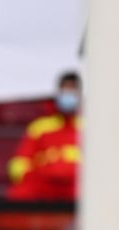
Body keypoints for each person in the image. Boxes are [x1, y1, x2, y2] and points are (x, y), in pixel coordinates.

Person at [6, 71, 80, 201]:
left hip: (77, 184)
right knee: (21, 193)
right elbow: (19, 164)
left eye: (73, 90)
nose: (69, 94)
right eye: (65, 89)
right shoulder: (39, 127)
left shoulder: (91, 128)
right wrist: (33, 175)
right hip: (44, 185)